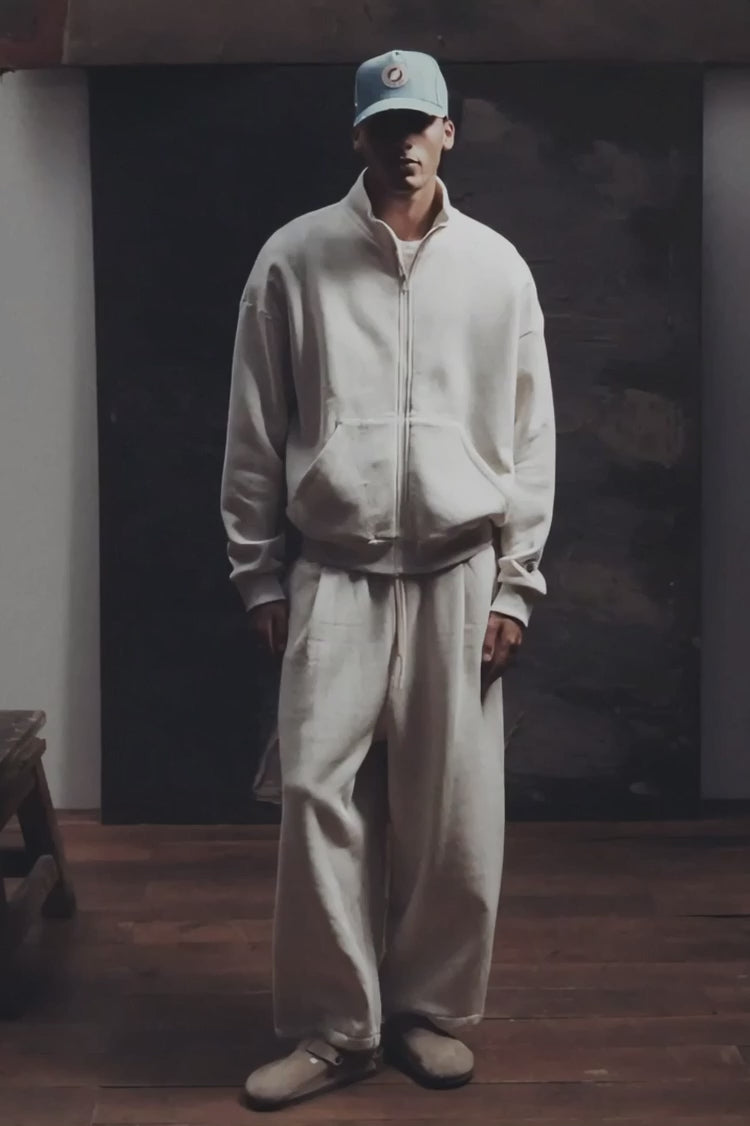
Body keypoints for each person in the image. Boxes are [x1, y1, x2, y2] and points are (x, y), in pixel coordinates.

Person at [220, 48, 556, 1111]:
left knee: (452, 812)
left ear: (448, 131)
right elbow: (255, 428)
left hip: (460, 572)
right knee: (317, 800)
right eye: (386, 126)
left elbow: (531, 436)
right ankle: (336, 1030)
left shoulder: (497, 269)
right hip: (335, 571)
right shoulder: (294, 259)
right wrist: (258, 574)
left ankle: (425, 1011)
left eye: (421, 125)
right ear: (358, 135)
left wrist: (516, 585)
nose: (404, 144)